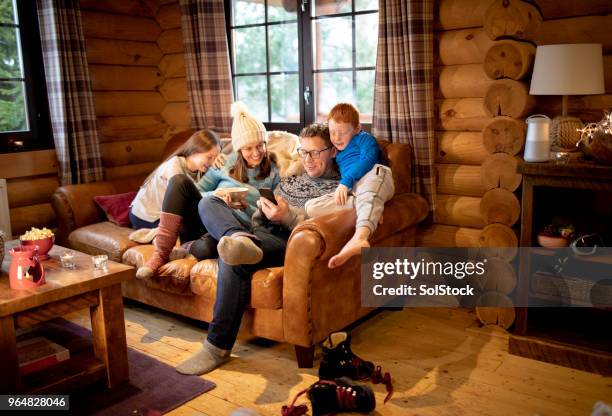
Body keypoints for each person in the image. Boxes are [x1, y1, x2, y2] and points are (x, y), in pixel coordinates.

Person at [175, 123, 346, 376]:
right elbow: (263, 208)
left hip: (287, 240)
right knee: (211, 201)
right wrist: (249, 207)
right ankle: (237, 237)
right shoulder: (293, 178)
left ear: (332, 151)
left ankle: (216, 347)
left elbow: (328, 223)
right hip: (258, 230)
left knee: (231, 256)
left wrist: (286, 216)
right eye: (303, 152)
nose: (308, 160)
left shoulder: (338, 188)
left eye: (315, 153)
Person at [135, 101, 280, 279]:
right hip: (203, 218)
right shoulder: (225, 162)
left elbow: (273, 213)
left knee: (210, 248)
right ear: (239, 149)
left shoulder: (274, 172)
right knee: (179, 181)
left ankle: (185, 248)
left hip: (233, 229)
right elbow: (194, 193)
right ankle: (160, 255)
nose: (256, 152)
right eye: (248, 148)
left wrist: (249, 208)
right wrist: (216, 195)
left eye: (260, 145)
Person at [320, 102, 395, 269]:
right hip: (357, 192)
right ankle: (370, 207)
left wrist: (346, 182)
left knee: (368, 190)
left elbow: (368, 160)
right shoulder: (336, 152)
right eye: (332, 132)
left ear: (357, 128)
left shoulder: (364, 139)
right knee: (312, 206)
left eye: (342, 133)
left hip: (375, 176)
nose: (336, 138)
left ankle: (360, 238)